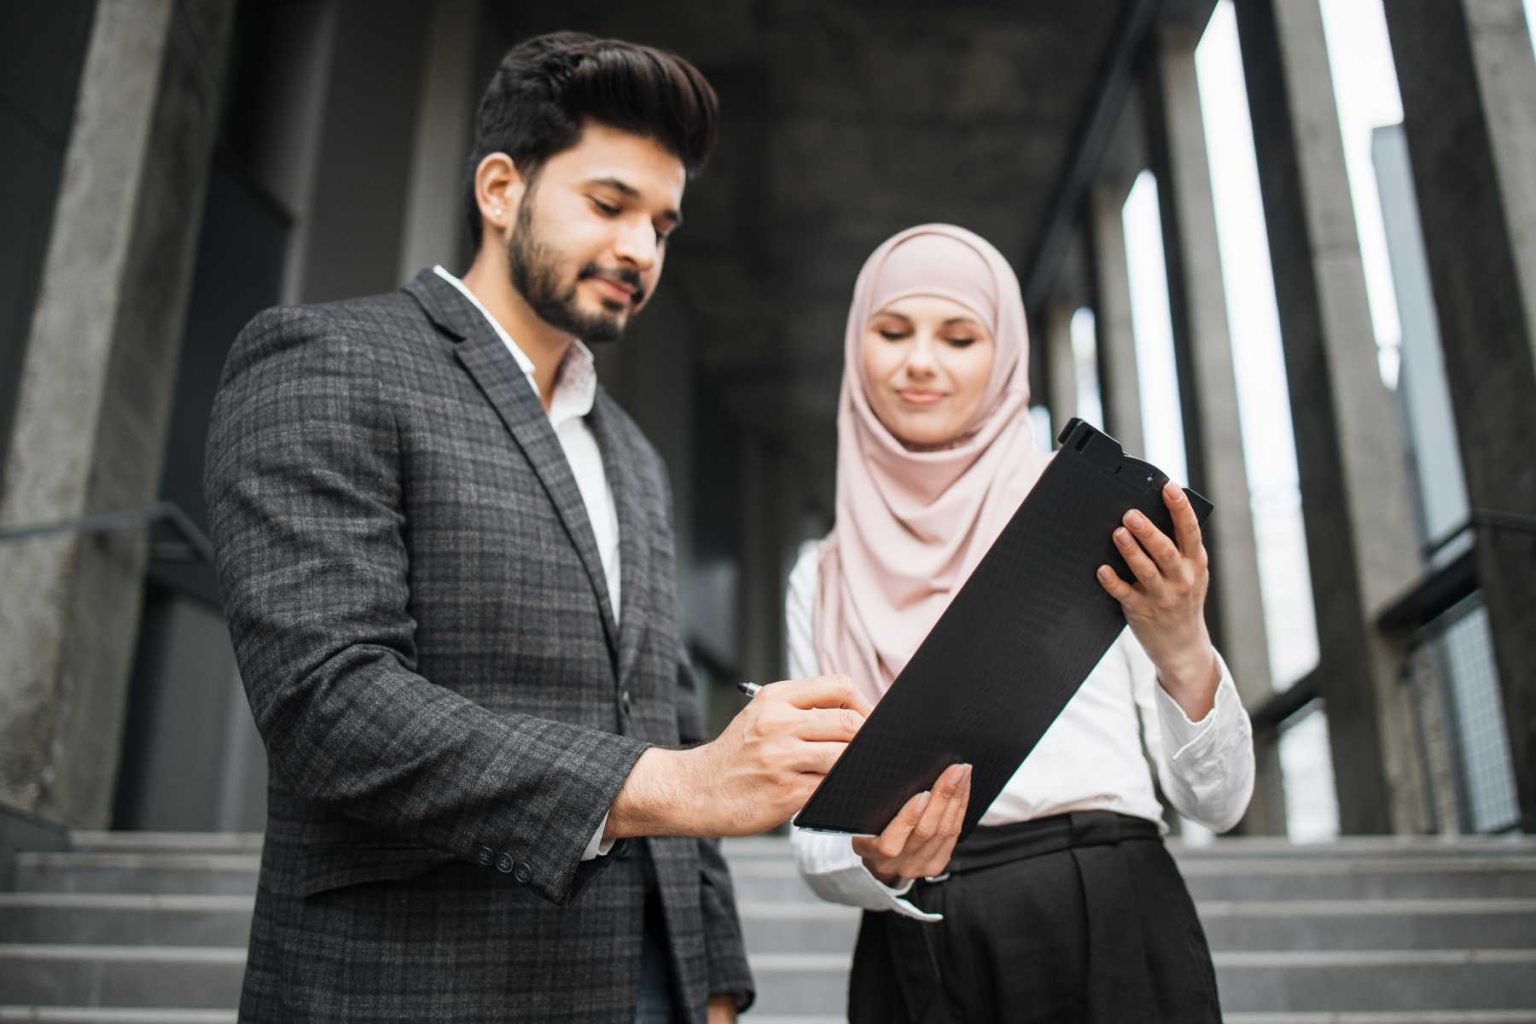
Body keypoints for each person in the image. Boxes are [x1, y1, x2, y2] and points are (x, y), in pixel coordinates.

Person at [205, 32, 870, 1024]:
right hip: (417, 984)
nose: (641, 249)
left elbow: (678, 730)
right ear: (501, 188)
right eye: (609, 205)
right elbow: (329, 706)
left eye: (663, 223)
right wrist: (672, 782)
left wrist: (715, 984)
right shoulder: (328, 358)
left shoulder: (636, 458)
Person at [787, 224, 1255, 1023]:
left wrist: (1183, 645)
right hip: (920, 938)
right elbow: (816, 834)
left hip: (1106, 905)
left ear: (1004, 354)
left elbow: (1217, 802)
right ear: (855, 349)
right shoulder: (823, 572)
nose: (921, 362)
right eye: (892, 332)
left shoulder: (1087, 517)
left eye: (960, 337)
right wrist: (875, 861)